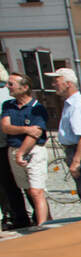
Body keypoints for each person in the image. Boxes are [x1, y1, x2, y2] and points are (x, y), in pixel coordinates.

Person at [45, 67, 81, 217]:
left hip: (78, 149)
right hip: (73, 148)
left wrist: (76, 161)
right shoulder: (71, 103)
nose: (53, 84)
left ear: (68, 83)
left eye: (56, 81)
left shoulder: (77, 105)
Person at [1, 72, 51, 225]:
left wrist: (21, 152)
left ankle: (43, 225)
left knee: (37, 191)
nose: (7, 87)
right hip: (14, 150)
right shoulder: (8, 105)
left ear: (25, 87)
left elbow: (35, 134)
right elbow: (6, 127)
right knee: (28, 190)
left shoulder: (37, 108)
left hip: (32, 151)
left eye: (11, 84)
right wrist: (25, 129)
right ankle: (37, 220)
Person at [0, 64, 30, 230]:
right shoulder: (8, 101)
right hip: (8, 143)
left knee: (24, 186)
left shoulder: (5, 96)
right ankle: (18, 216)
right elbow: (6, 125)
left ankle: (24, 217)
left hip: (8, 144)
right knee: (12, 185)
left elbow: (6, 126)